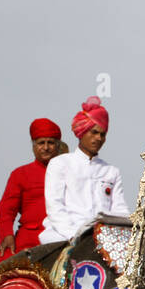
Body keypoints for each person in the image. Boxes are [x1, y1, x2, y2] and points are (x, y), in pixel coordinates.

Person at [39, 97, 131, 244]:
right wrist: (74, 235)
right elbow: (55, 207)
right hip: (64, 236)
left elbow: (119, 210)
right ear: (82, 132)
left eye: (102, 134)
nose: (98, 138)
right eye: (94, 132)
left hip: (103, 238)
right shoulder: (60, 164)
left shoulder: (111, 171)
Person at [0, 118, 63, 261]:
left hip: (61, 236)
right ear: (33, 146)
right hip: (29, 239)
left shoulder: (68, 173)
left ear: (57, 146)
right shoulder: (20, 174)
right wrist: (7, 235)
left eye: (50, 143)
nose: (46, 147)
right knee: (2, 268)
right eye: (41, 143)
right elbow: (6, 211)